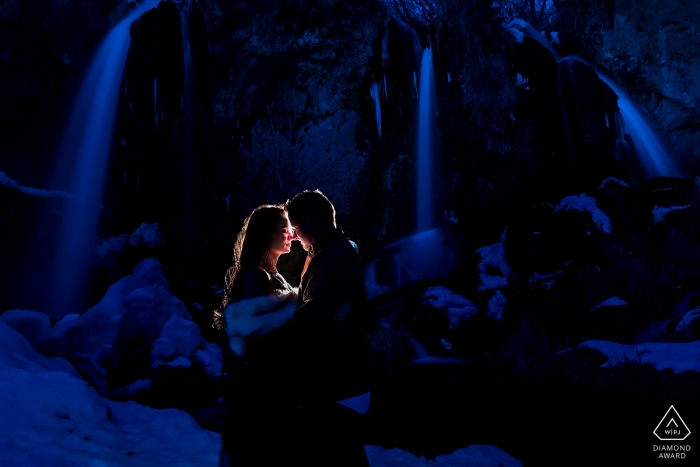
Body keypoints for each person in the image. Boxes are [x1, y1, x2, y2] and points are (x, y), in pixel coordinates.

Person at [285, 189, 372, 466]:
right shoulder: (332, 250)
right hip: (340, 379)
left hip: (337, 382)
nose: (294, 235)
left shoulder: (332, 255)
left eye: (296, 227)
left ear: (311, 221)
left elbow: (314, 314)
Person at [214, 204, 299, 467]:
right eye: (283, 229)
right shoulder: (257, 276)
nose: (291, 235)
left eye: (291, 229)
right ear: (265, 235)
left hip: (266, 384)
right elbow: (254, 331)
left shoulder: (272, 274)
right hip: (259, 390)